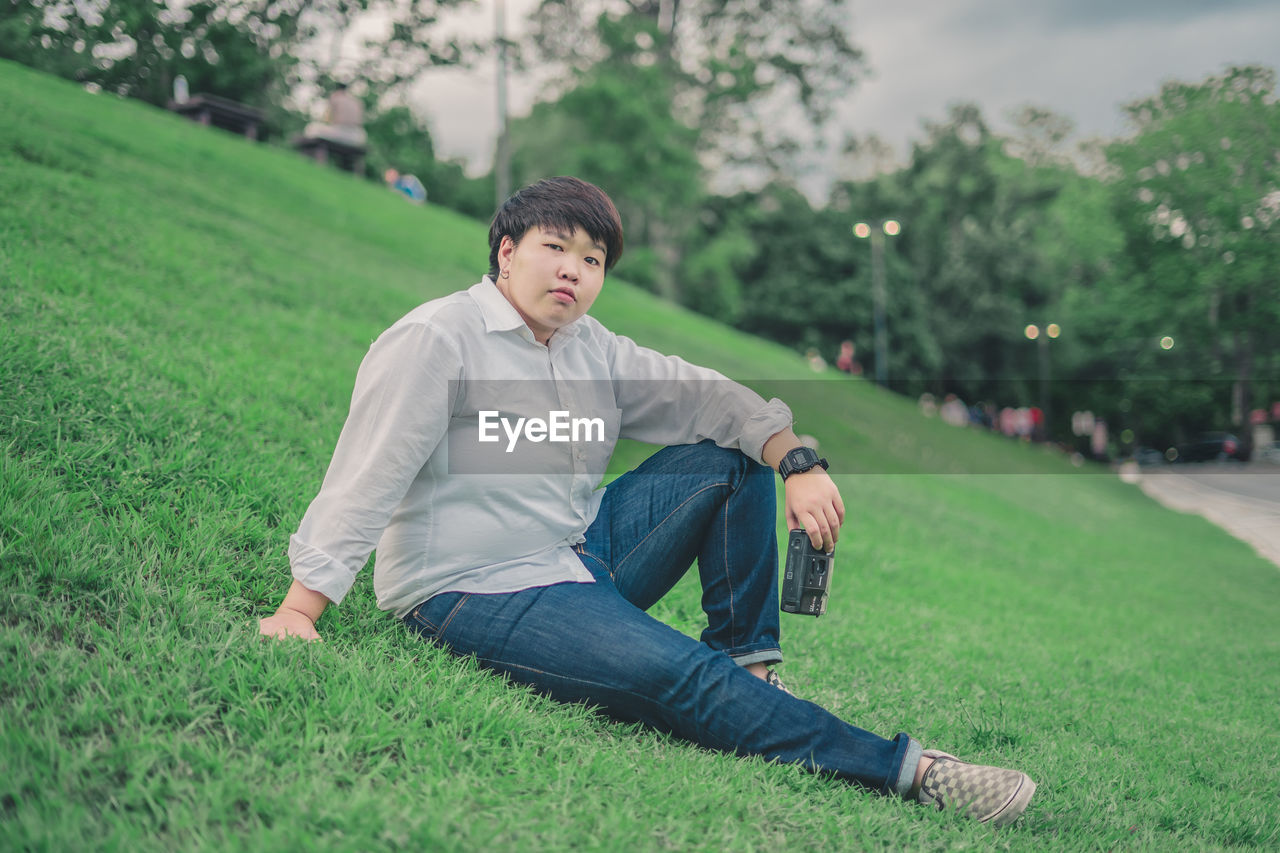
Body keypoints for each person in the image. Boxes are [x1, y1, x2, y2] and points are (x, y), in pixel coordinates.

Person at [259, 177, 1037, 826]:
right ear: (507, 252)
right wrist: (302, 608)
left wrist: (797, 459)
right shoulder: (439, 340)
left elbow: (709, 399)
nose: (572, 270)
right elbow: (368, 473)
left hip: (574, 554)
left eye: (591, 258)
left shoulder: (591, 347)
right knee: (680, 678)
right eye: (554, 248)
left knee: (731, 460)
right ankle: (914, 770)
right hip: (474, 586)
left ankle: (751, 672)